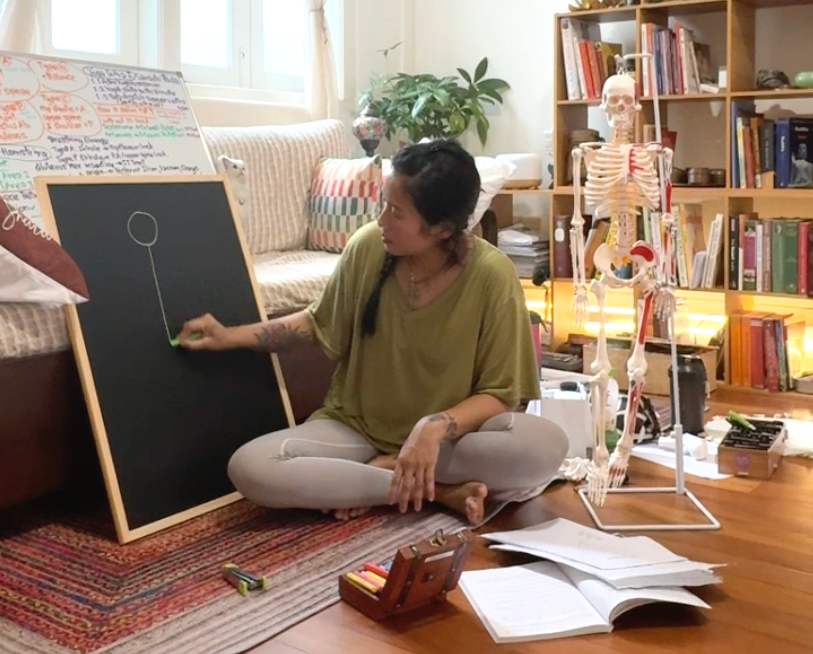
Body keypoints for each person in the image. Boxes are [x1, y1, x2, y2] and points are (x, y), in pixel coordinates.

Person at [177, 137, 567, 525]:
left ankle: (371, 479)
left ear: (442, 228)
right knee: (251, 468)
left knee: (545, 448)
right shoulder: (368, 247)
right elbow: (316, 323)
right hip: (357, 431)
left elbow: (503, 395)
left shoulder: (492, 275)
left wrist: (433, 428)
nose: (381, 220)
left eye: (396, 212)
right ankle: (433, 490)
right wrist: (229, 337)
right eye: (383, 205)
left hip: (447, 445)